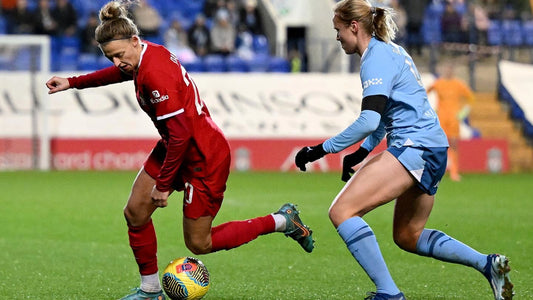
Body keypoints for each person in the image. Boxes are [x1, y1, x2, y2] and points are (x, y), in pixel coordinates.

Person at [45, 1, 314, 299]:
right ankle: (150, 290)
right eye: (111, 57)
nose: (118, 62)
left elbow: (183, 133)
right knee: (135, 212)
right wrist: (73, 82)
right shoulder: (142, 55)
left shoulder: (155, 74)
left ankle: (282, 220)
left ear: (135, 41)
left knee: (200, 243)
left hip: (202, 156)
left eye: (120, 55)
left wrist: (163, 186)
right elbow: (121, 74)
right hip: (174, 145)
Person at [294, 1, 513, 300]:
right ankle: (487, 264)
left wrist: (319, 150)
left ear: (354, 27)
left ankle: (389, 294)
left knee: (342, 212)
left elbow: (369, 119)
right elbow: (385, 117)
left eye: (338, 29)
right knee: (408, 236)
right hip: (433, 148)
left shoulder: (375, 58)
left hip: (415, 147)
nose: (336, 36)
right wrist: (360, 153)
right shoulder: (392, 51)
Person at [427, 61, 476, 182]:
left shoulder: (458, 84)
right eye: (446, 69)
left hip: (454, 119)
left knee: (453, 145)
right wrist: (431, 110)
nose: (448, 71)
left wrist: (463, 113)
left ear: (453, 71)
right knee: (439, 145)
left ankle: (454, 172)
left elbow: (471, 99)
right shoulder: (438, 84)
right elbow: (424, 94)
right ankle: (437, 172)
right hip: (441, 118)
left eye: (450, 69)